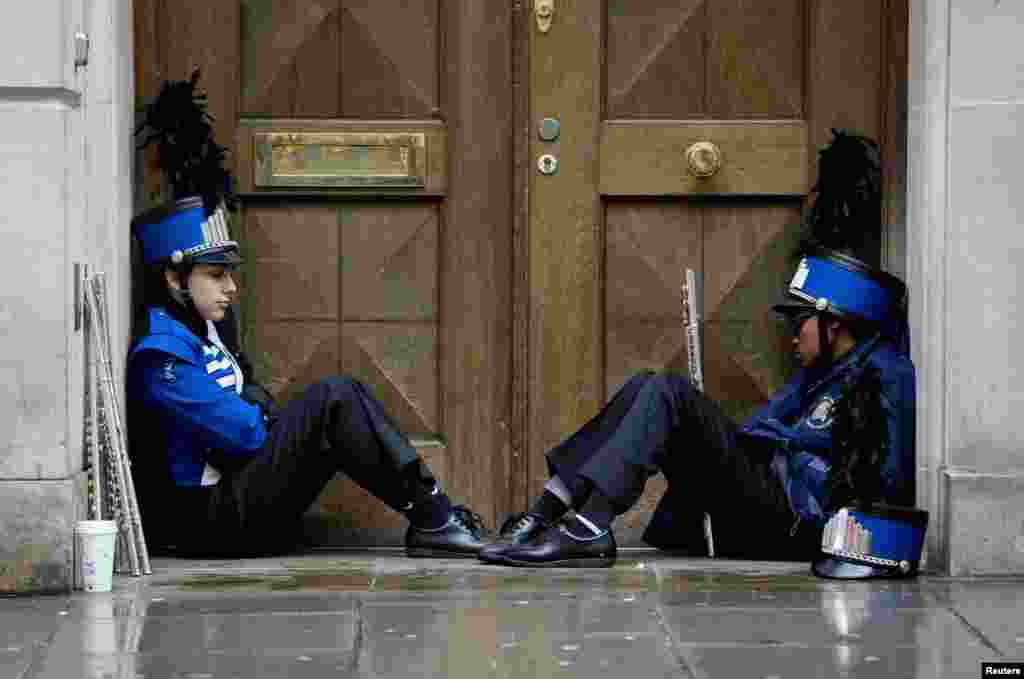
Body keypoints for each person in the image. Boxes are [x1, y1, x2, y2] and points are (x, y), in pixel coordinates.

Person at [479, 248, 915, 570]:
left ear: (833, 323)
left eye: (797, 322)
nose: (791, 338)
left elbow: (886, 480)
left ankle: (589, 529)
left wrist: (794, 448)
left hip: (798, 521)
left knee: (669, 392)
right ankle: (543, 514)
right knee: (647, 385)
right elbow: (757, 428)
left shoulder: (884, 375)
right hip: (766, 493)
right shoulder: (821, 371)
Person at [127, 197, 486, 558]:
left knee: (344, 397)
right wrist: (261, 412)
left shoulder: (209, 324)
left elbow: (250, 392)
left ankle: (434, 512)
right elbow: (246, 432)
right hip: (207, 522)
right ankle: (435, 518)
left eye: (230, 274)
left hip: (236, 492)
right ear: (174, 278)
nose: (231, 287)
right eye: (216, 275)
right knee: (334, 399)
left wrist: (257, 409)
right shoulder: (161, 353)